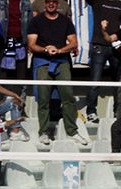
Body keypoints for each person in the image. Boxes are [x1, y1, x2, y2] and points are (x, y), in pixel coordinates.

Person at [27, 0, 87, 147]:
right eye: (49, 2)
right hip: (42, 61)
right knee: (43, 99)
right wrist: (46, 49)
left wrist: (59, 50)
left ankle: (72, 131)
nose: (51, 4)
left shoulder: (65, 20)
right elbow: (31, 44)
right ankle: (44, 132)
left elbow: (73, 43)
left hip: (62, 61)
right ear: (45, 4)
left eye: (54, 2)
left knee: (68, 96)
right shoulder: (36, 21)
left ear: (57, 4)